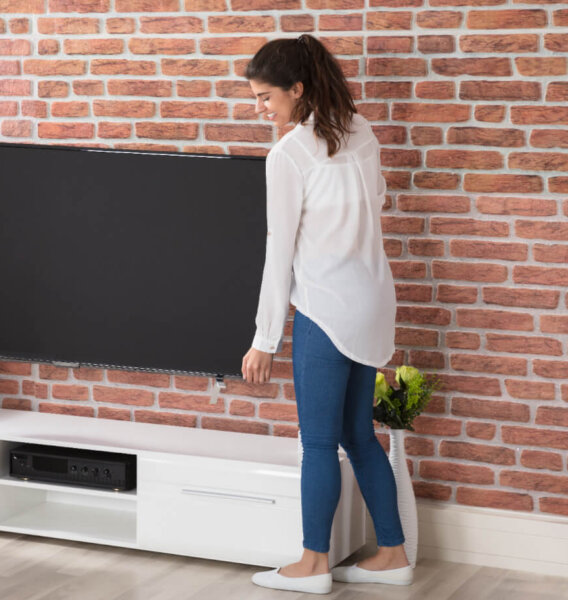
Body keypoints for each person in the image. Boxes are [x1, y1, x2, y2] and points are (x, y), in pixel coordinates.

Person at [240, 35, 412, 595]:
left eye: (266, 97)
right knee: (359, 435)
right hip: (371, 303)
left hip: (325, 307)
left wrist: (265, 337)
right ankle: (393, 553)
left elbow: (279, 250)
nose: (260, 109)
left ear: (297, 89)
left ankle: (314, 564)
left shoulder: (289, 154)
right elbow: (378, 200)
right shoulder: (362, 132)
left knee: (317, 441)